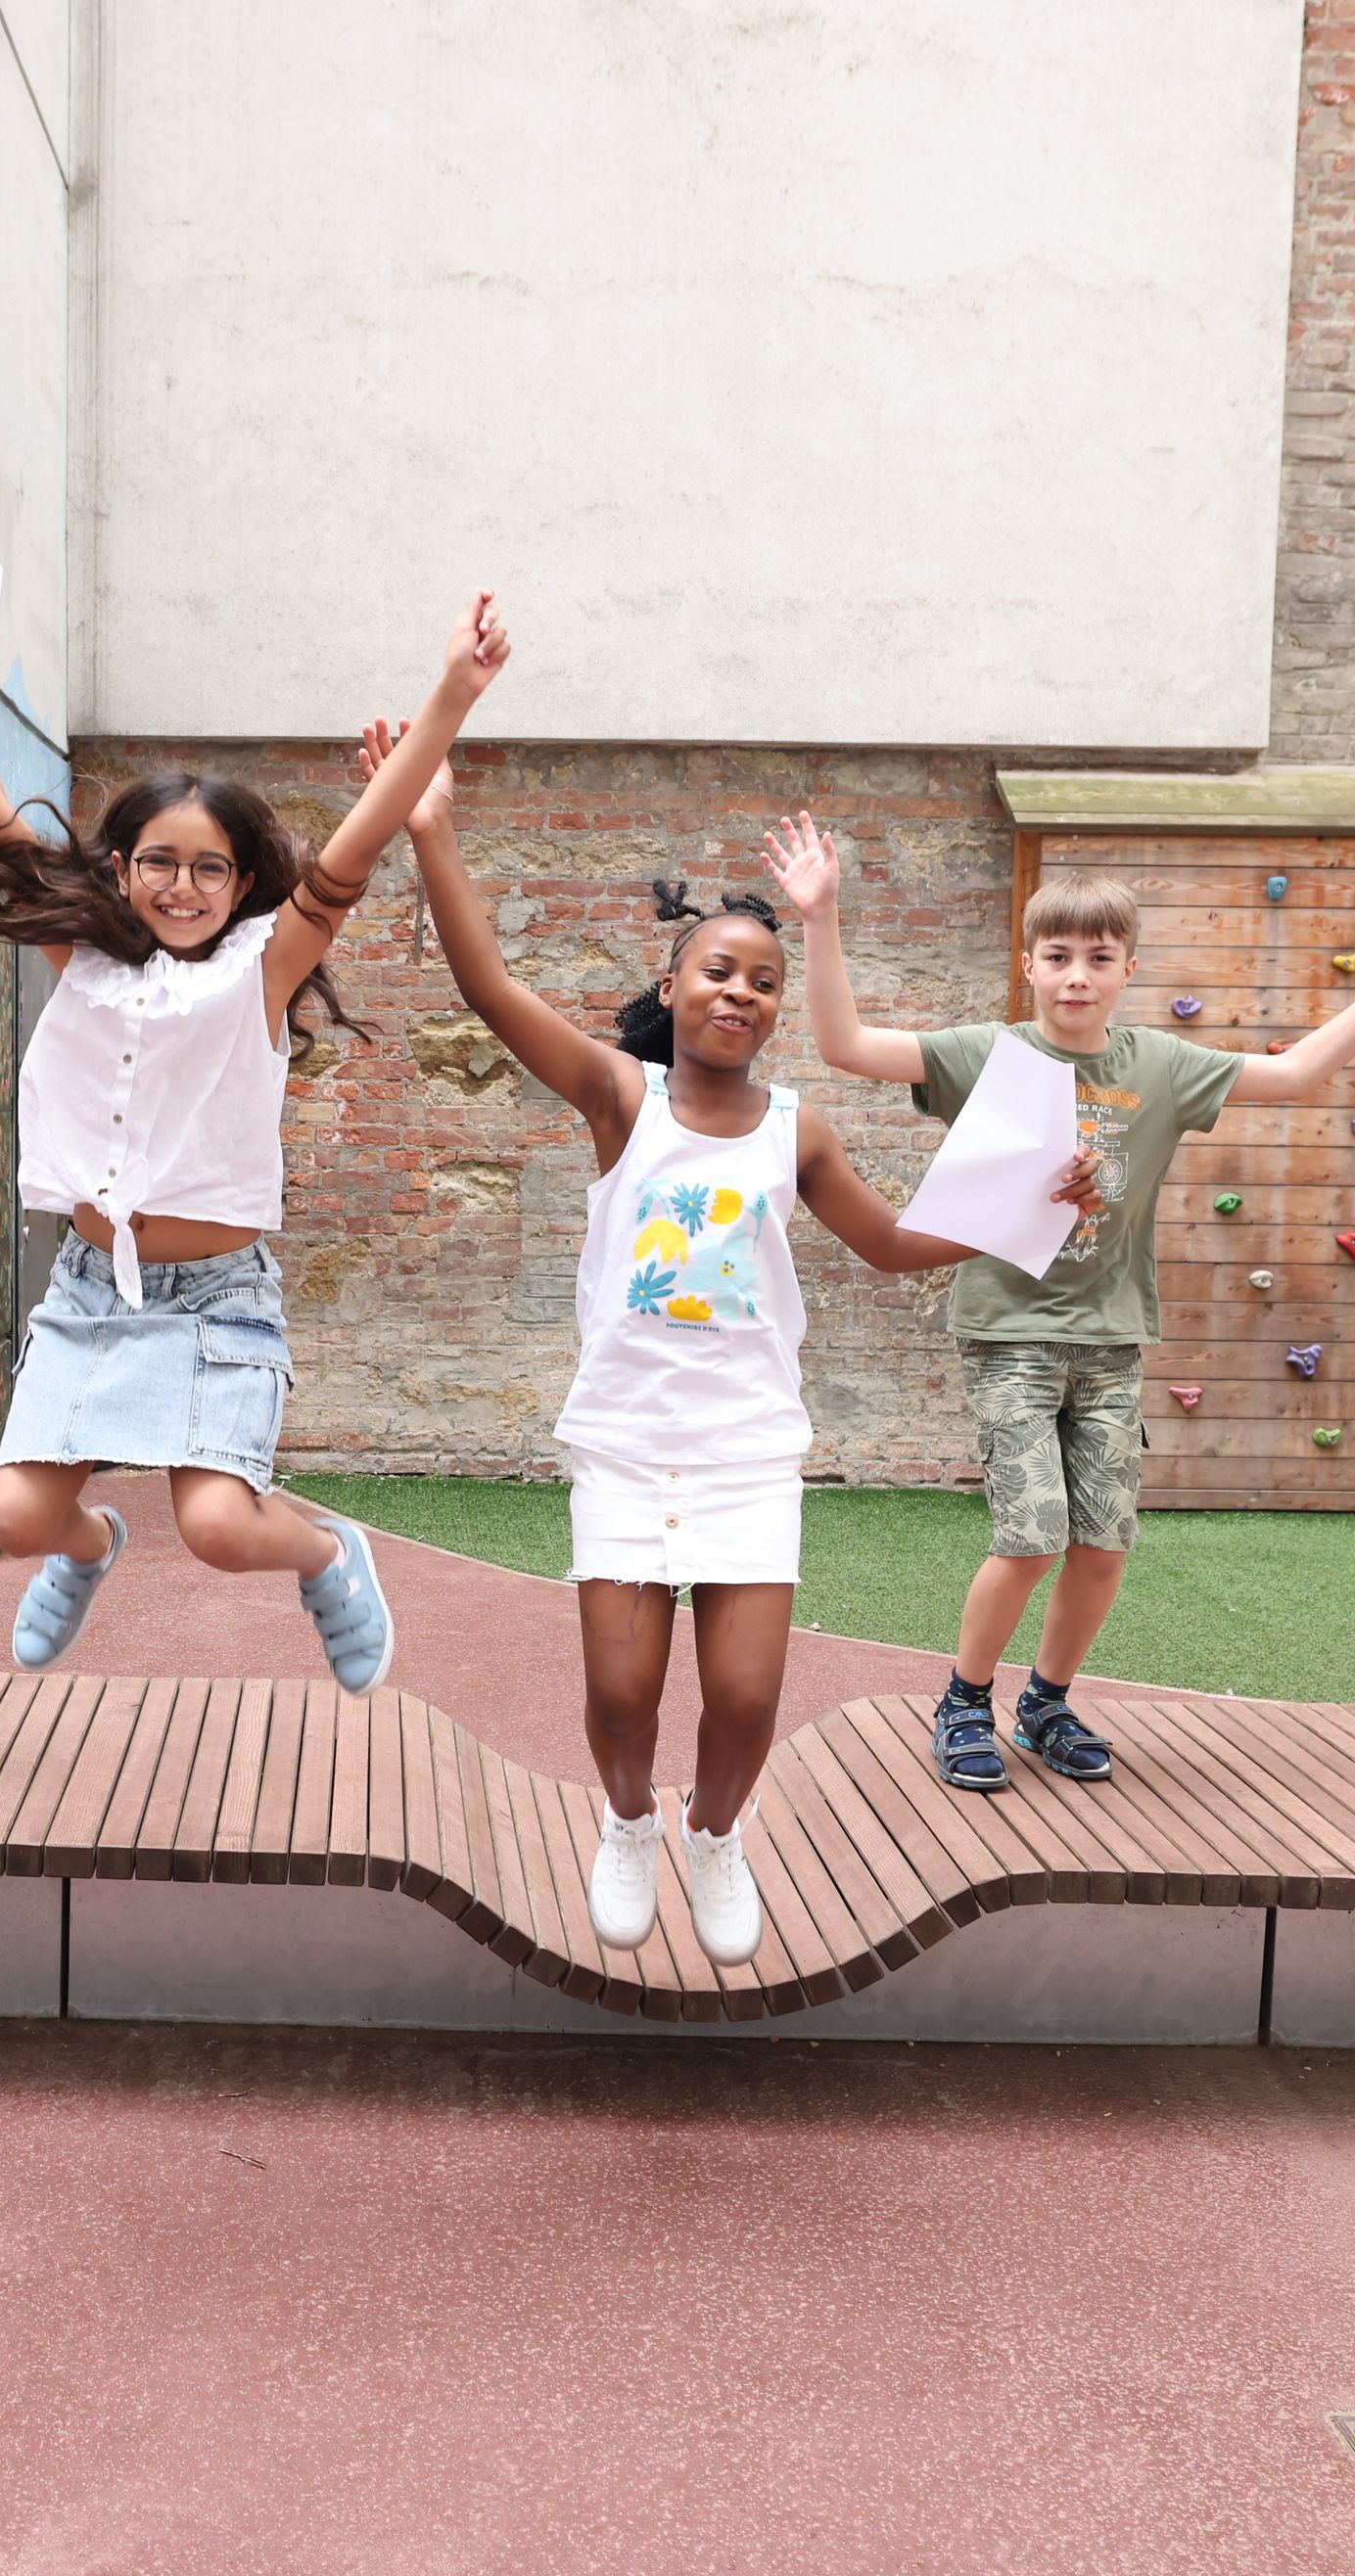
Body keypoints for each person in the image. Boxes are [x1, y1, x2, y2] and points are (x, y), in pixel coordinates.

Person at [0, 561, 511, 1687]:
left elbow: (355, 849)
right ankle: (88, 1548)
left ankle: (326, 1553)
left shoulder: (260, 971)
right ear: (119, 872)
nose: (182, 885)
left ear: (241, 881)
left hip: (216, 1298)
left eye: (209, 868)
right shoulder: (79, 953)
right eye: (159, 863)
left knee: (219, 1528)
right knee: (20, 1518)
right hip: (87, 1290)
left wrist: (450, 695)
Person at [407, 755, 979, 1961]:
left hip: (745, 1452)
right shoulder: (623, 1099)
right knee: (621, 1699)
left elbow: (885, 1244)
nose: (742, 995)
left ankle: (713, 1837)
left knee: (746, 1699)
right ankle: (627, 1823)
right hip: (625, 1446)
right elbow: (489, 984)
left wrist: (1026, 1207)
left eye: (764, 983)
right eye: (718, 971)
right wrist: (432, 829)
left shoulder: (796, 1130)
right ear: (670, 985)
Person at [785, 830, 1355, 1791]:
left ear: (1128, 968)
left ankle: (1044, 1701)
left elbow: (1296, 1074)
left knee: (1101, 1543)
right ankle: (964, 1699)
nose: (1077, 976)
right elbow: (844, 1048)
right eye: (1057, 957)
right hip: (1010, 1335)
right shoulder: (988, 1055)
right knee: (1033, 1533)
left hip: (1110, 1342)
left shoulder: (1163, 1067)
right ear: (1029, 964)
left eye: (1099, 958)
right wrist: (822, 916)